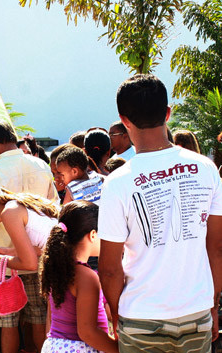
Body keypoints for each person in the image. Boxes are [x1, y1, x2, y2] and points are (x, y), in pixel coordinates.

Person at [98, 74, 222, 352]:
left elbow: (109, 269)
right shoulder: (206, 168)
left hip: (141, 315)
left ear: (124, 119)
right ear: (168, 113)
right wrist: (212, 305)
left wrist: (118, 315)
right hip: (196, 312)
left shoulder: (117, 182)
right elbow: (216, 247)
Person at [0, 120, 57, 353]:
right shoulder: (41, 166)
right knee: (39, 320)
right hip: (38, 256)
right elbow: (54, 211)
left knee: (7, 322)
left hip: (3, 263)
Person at [0, 186, 59, 352]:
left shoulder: (9, 213)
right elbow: (40, 247)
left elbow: (30, 264)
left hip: (60, 268)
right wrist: (11, 252)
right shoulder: (14, 207)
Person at [40, 201, 118, 353]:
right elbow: (87, 332)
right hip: (79, 348)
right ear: (93, 235)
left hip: (55, 346)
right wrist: (119, 350)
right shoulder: (86, 276)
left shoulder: (57, 267)